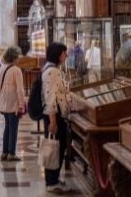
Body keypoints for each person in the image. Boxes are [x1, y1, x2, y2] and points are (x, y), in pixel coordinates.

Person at [42, 42, 83, 194]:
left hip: (56, 115)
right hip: (55, 116)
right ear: (59, 54)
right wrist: (53, 121)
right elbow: (50, 97)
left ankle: (53, 179)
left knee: (57, 148)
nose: (67, 56)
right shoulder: (53, 72)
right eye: (65, 53)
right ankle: (51, 182)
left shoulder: (50, 69)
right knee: (55, 149)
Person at [0, 46, 25, 162]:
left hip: (4, 103)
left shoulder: (1, 69)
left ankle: (4, 152)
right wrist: (21, 105)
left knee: (7, 127)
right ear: (14, 57)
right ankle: (11, 153)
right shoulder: (16, 70)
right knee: (13, 128)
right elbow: (20, 90)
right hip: (13, 103)